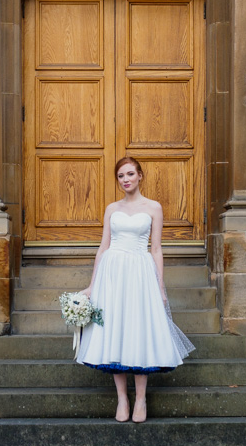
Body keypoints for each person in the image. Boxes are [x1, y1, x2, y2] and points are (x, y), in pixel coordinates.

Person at [75, 156, 195, 423]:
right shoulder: (111, 208)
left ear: (140, 176)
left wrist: (160, 286)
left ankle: (141, 398)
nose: (125, 179)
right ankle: (122, 398)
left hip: (140, 273)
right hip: (113, 273)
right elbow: (103, 246)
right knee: (114, 330)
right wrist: (93, 285)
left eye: (130, 174)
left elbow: (156, 249)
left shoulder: (153, 207)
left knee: (138, 331)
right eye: (120, 176)